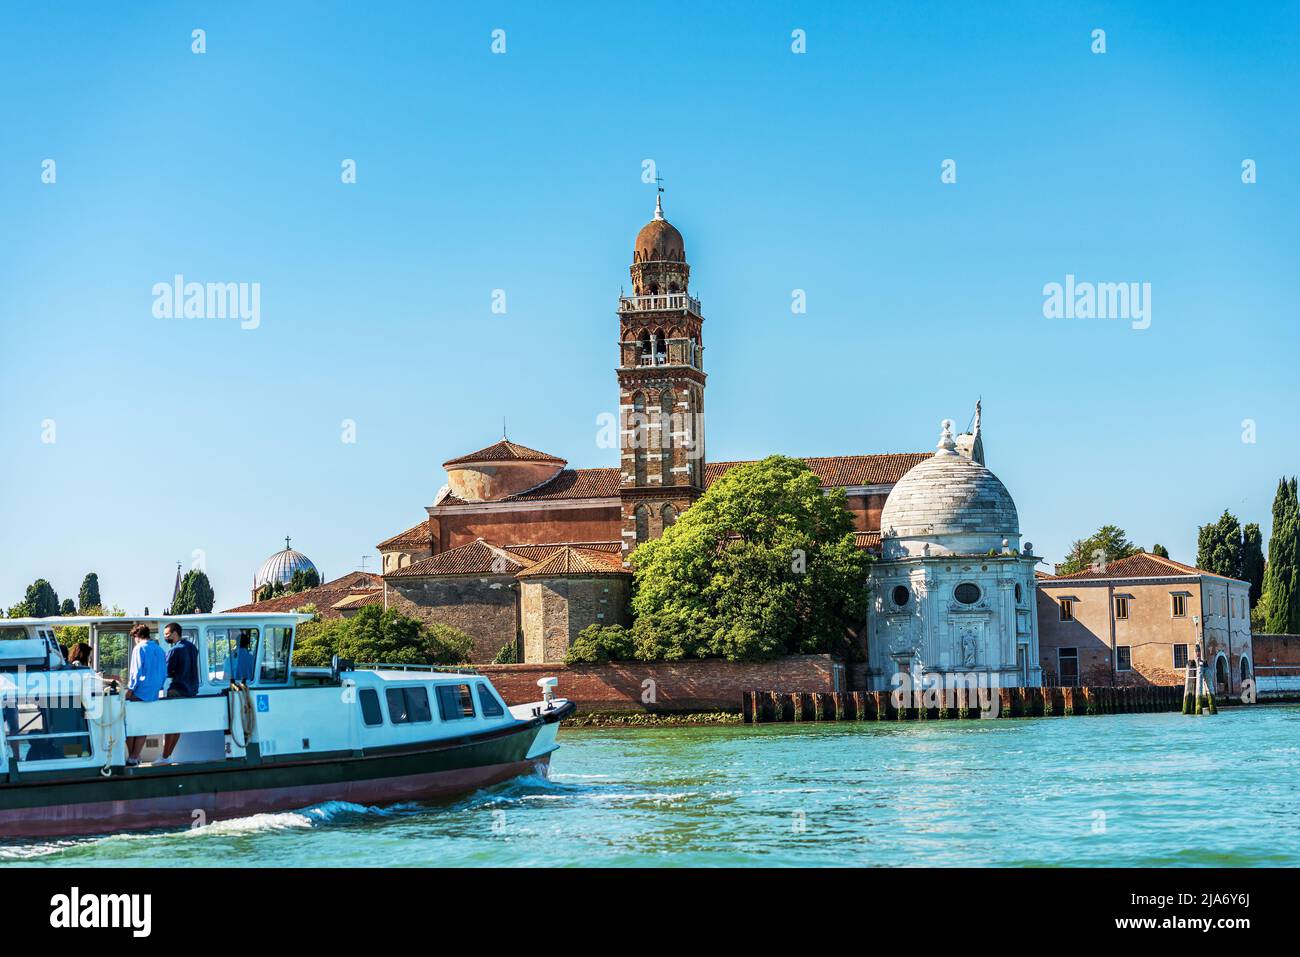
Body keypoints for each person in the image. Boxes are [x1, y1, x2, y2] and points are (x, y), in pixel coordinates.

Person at [124, 624, 166, 765]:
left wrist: (129, 692)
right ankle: (136, 756)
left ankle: (132, 757)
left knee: (130, 726)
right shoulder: (160, 650)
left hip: (139, 692)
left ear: (137, 636)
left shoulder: (139, 648)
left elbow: (136, 673)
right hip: (153, 694)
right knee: (142, 726)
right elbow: (163, 674)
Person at [159, 623, 199, 763]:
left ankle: (165, 756)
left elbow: (167, 671)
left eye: (167, 634)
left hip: (177, 690)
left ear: (175, 633)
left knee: (170, 724)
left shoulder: (174, 650)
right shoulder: (192, 648)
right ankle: (167, 755)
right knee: (177, 725)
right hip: (192, 690)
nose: (165, 637)